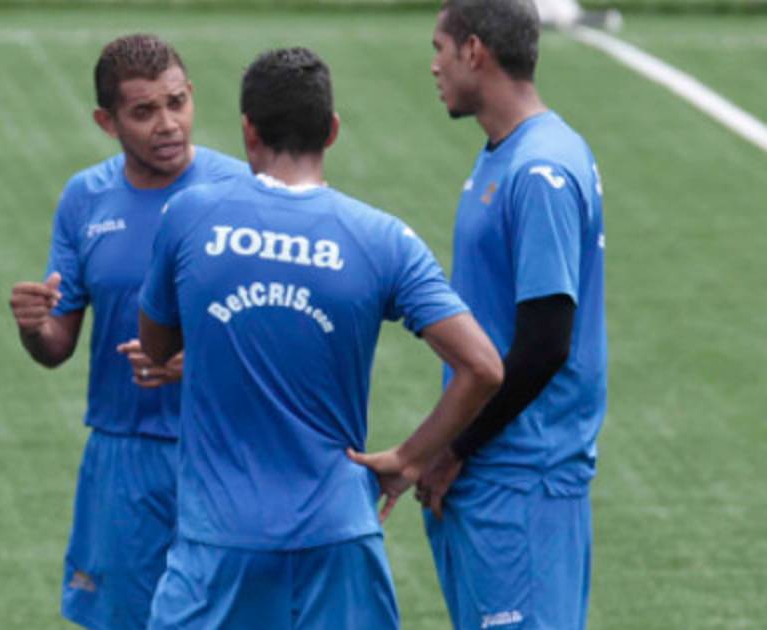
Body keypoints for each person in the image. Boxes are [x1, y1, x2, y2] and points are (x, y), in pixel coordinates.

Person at [137, 47, 503, 629]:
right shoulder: (383, 239)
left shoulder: (189, 216)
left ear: (248, 131)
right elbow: (483, 367)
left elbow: (156, 347)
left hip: (220, 542)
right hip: (338, 537)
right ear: (331, 130)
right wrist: (410, 459)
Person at [6, 34, 246, 629]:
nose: (168, 124)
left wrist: (198, 362)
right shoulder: (85, 199)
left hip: (224, 450)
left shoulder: (241, 192)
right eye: (144, 112)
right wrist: (34, 327)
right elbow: (57, 346)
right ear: (106, 122)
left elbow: (282, 334)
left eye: (177, 102)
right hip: (123, 454)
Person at [420, 1, 607, 628]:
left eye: (440, 48)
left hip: (521, 480)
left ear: (474, 51)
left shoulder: (539, 170)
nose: (434, 65)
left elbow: (545, 344)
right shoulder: (507, 153)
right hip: (493, 476)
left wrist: (453, 448)